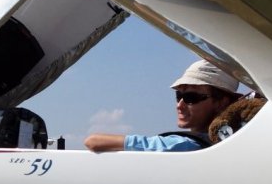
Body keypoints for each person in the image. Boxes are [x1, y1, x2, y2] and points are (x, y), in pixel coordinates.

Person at [84, 59, 241, 152]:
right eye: (178, 95)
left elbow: (93, 141)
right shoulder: (229, 142)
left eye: (191, 97)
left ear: (222, 102)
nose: (180, 105)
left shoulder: (185, 145)